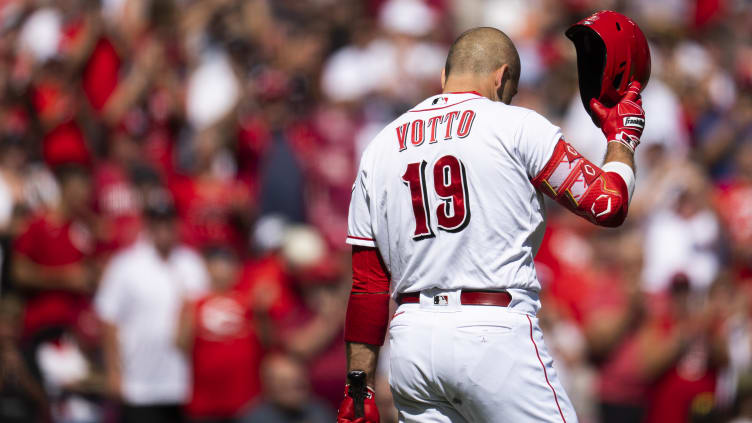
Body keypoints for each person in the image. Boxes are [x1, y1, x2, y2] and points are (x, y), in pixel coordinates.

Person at [337, 26, 646, 423]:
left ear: (445, 77)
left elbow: (367, 286)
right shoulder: (515, 124)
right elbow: (608, 205)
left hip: (411, 342)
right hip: (492, 332)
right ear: (502, 78)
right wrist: (622, 139)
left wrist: (358, 384)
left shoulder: (379, 147)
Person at [94, 196, 208, 423]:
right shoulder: (125, 265)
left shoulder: (191, 263)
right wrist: (114, 373)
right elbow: (108, 321)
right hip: (139, 384)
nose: (163, 228)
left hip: (184, 383)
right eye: (157, 222)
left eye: (168, 221)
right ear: (147, 225)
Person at [176, 246, 264, 423]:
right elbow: (181, 345)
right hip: (204, 402)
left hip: (245, 401)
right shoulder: (194, 304)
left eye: (228, 264)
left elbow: (266, 342)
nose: (222, 270)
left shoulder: (250, 301)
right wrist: (186, 315)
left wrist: (262, 313)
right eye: (216, 264)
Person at [242, 353, 335, 423]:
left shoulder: (320, 411)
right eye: (285, 383)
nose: (295, 390)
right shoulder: (254, 419)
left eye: (299, 382)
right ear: (269, 387)